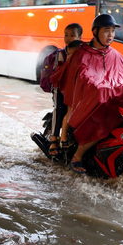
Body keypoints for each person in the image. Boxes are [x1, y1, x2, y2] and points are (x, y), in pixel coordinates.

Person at [52, 14, 123, 174]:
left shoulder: (113, 53)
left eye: (112, 31)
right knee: (104, 122)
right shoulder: (83, 53)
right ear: (95, 31)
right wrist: (102, 88)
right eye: (106, 31)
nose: (111, 35)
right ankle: (78, 156)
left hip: (112, 99)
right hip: (93, 102)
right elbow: (85, 78)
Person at [39, 23, 83, 157]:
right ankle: (54, 140)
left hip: (76, 90)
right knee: (60, 109)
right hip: (60, 88)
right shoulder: (61, 54)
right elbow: (58, 75)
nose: (68, 38)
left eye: (72, 35)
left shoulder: (83, 53)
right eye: (66, 35)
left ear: (80, 37)